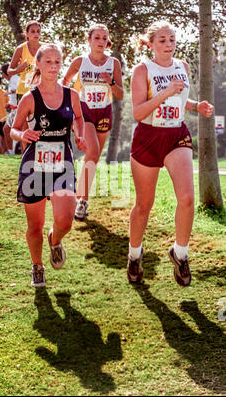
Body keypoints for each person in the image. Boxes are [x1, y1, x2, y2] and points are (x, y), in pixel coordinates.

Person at [128, 20, 214, 287]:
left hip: (176, 134)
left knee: (187, 198)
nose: (168, 44)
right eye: (162, 40)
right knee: (144, 204)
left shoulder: (182, 67)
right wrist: (165, 91)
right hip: (148, 137)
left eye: (172, 39)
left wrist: (195, 105)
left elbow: (179, 99)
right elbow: (138, 112)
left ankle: (180, 253)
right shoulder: (142, 70)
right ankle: (134, 255)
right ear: (151, 45)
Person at [10, 44, 87, 287]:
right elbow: (12, 128)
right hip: (35, 165)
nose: (54, 66)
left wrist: (79, 134)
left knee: (65, 220)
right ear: (39, 65)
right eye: (48, 62)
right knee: (35, 224)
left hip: (62, 163)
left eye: (57, 62)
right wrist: (22, 136)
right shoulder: (29, 98)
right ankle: (37, 266)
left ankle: (55, 241)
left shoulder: (71, 95)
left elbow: (79, 117)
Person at [63, 24, 124, 219]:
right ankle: (82, 201)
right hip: (84, 111)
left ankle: (79, 194)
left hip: (104, 112)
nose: (101, 41)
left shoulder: (113, 63)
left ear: (108, 42)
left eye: (104, 38)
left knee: (93, 158)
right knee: (94, 151)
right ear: (89, 40)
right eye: (96, 37)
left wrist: (111, 82)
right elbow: (64, 82)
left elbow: (121, 94)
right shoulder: (80, 61)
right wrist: (65, 104)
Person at [8, 20, 46, 152]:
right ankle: (26, 156)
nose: (36, 34)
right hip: (24, 91)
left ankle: (40, 155)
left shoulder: (45, 48)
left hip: (42, 91)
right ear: (27, 34)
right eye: (33, 31)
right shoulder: (21, 49)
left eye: (38, 31)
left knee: (42, 124)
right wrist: (19, 69)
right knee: (25, 127)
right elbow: (9, 71)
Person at [1, 63, 20, 154]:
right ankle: (10, 152)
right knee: (6, 129)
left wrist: (10, 92)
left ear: (5, 74)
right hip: (14, 109)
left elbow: (21, 90)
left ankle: (13, 152)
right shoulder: (12, 80)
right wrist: (9, 103)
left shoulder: (16, 79)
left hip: (18, 109)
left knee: (9, 130)